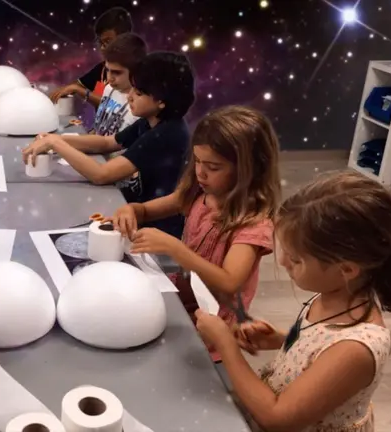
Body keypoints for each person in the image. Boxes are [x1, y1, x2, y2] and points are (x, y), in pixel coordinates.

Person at [195, 170, 391, 432]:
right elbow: (319, 342)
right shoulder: (335, 295)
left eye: (296, 260)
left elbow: (277, 417)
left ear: (347, 269)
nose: (282, 263)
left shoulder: (357, 350)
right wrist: (282, 339)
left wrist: (226, 345)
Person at [110, 105, 281, 363]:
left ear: (248, 169)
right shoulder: (197, 193)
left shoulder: (253, 224)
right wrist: (130, 209)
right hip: (180, 305)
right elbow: (145, 210)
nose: (200, 172)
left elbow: (228, 283)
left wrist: (176, 249)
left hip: (211, 330)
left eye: (213, 166)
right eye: (197, 161)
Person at [23, 52, 196, 239]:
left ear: (161, 101)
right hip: (136, 215)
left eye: (138, 93)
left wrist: (56, 144)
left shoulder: (166, 134)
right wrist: (56, 139)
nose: (129, 97)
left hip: (154, 231)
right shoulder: (151, 120)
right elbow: (107, 142)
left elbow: (101, 174)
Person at [49, 7, 134, 108]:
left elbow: (117, 107)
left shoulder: (136, 71)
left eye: (108, 42)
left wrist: (80, 90)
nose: (102, 48)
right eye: (100, 42)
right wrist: (66, 89)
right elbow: (80, 85)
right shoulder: (102, 69)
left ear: (125, 39)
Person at [90, 33, 146, 136]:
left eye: (116, 72)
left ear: (136, 71)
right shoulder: (108, 88)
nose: (110, 78)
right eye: (107, 70)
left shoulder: (140, 107)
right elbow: (98, 128)